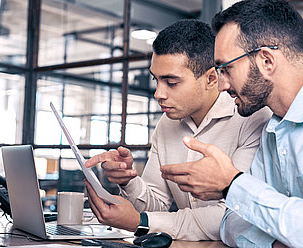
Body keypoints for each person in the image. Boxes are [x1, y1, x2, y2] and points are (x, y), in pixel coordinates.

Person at [160, 0, 303, 247]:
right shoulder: (272, 127)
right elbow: (231, 222)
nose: (221, 85)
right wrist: (277, 244)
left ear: (266, 61)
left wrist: (232, 184)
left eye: (226, 68)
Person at [83, 19, 272, 241]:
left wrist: (141, 222)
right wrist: (128, 179)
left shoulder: (252, 116)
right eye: (156, 80)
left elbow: (235, 214)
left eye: (171, 82)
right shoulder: (167, 123)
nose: (158, 94)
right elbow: (158, 206)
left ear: (211, 78)